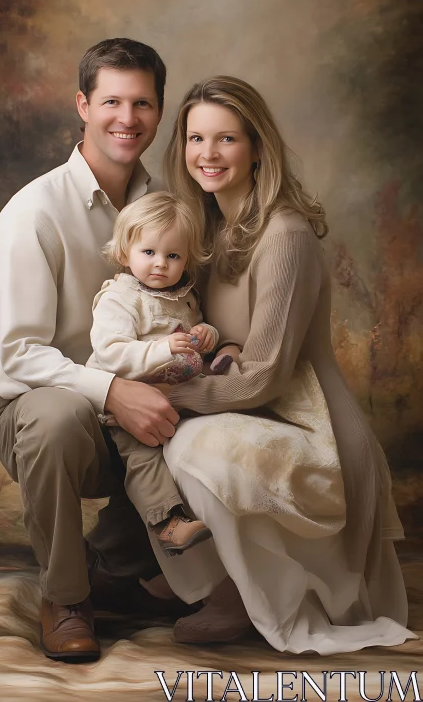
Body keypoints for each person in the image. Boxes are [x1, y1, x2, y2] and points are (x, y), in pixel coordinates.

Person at [145, 75, 416, 654]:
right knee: (143, 430)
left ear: (258, 147)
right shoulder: (208, 232)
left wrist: (163, 397)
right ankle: (205, 576)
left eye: (226, 140)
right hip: (255, 409)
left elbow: (268, 374)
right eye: (196, 139)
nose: (208, 155)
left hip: (312, 428)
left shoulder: (284, 235)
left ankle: (250, 593)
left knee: (191, 442)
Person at [0, 38, 185, 663]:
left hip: (143, 400)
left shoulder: (168, 209)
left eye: (143, 104)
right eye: (112, 102)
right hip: (42, 414)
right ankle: (65, 597)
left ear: (159, 111)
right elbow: (17, 358)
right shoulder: (33, 213)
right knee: (59, 414)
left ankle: (123, 569)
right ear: (83, 105)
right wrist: (110, 389)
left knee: (214, 399)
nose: (127, 119)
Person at [86, 191, 218, 555]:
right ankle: (168, 523)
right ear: (126, 251)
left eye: (173, 255)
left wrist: (208, 335)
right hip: (126, 404)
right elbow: (110, 353)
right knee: (145, 455)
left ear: (186, 259)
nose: (160, 263)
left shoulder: (184, 296)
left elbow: (194, 328)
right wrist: (162, 349)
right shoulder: (120, 298)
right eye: (149, 253)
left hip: (175, 395)